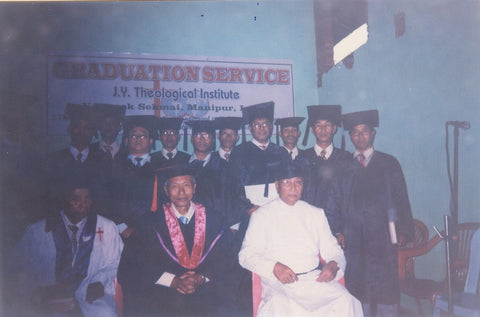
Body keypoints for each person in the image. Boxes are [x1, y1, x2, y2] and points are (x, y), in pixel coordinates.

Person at [239, 162, 363, 316]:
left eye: (298, 182)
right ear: (277, 186)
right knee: (281, 306)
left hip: (313, 280)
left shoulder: (315, 213)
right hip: (279, 283)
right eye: (287, 183)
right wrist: (274, 267)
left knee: (345, 300)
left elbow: (333, 250)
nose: (293, 188)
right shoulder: (262, 215)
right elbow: (246, 255)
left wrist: (332, 265)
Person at [325, 109, 414, 317]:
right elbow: (333, 201)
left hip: (384, 235)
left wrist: (403, 231)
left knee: (386, 285)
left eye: (364, 131)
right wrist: (338, 230)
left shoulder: (389, 163)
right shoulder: (343, 166)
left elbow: (402, 198)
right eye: (355, 133)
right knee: (357, 285)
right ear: (350, 136)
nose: (360, 136)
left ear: (373, 133)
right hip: (353, 237)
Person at [117, 165, 238, 316]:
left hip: (207, 290)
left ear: (194, 188)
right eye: (174, 186)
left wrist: (200, 278)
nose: (181, 192)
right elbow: (133, 265)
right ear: (166, 191)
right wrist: (173, 281)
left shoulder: (214, 220)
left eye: (186, 185)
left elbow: (228, 260)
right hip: (162, 292)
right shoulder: (150, 223)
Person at [8, 176, 123, 317]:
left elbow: (116, 262)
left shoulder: (106, 227)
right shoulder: (38, 230)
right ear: (64, 200)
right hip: (51, 294)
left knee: (106, 313)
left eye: (87, 199)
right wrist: (37, 292)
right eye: (76, 199)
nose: (82, 203)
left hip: (90, 293)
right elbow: (21, 267)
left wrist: (100, 281)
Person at [108, 115, 161, 239]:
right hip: (119, 231)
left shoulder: (160, 167)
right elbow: (108, 201)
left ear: (151, 141)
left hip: (153, 232)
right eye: (133, 135)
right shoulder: (114, 168)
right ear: (126, 140)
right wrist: (122, 227)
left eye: (143, 136)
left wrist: (153, 228)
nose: (138, 139)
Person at [44, 104, 100, 212]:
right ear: (69, 129)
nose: (81, 132)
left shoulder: (102, 161)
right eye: (77, 127)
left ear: (93, 132)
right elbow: (49, 197)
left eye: (87, 128)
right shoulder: (53, 160)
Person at [302, 105, 352, 211]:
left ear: (334, 129)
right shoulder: (302, 158)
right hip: (310, 219)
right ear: (312, 130)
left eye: (327, 125)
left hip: (339, 221)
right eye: (318, 125)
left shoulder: (345, 158)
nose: (323, 129)